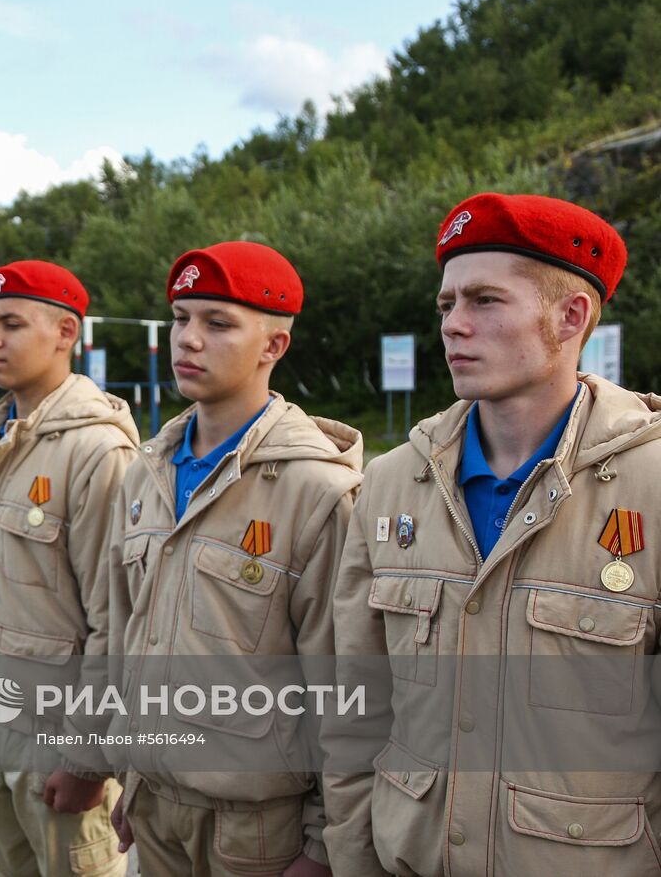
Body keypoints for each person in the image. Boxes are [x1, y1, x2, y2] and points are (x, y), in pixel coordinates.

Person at [324, 193, 661, 876]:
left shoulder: (651, 485)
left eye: (484, 301)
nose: (454, 326)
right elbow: (355, 709)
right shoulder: (390, 485)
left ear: (572, 317)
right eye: (447, 305)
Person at [108, 242, 362, 877]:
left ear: (273, 346)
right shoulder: (149, 471)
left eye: (218, 323)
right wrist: (132, 773)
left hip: (256, 828)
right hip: (157, 803)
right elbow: (128, 631)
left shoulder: (317, 491)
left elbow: (348, 681)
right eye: (181, 317)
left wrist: (324, 844)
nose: (188, 339)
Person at [0, 260, 139, 876]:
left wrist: (89, 758)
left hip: (60, 732)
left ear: (66, 334)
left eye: (11, 323)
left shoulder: (96, 448)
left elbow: (114, 619)